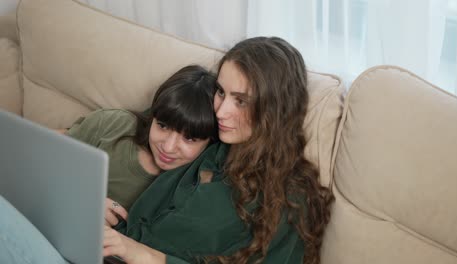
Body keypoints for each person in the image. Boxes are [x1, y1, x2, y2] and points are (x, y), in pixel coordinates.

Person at [0, 37, 334, 264]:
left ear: (275, 111)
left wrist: (146, 256)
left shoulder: (291, 199)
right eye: (221, 92)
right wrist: (83, 208)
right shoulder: (211, 147)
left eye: (241, 101)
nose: (219, 111)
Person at [60, 65, 219, 211]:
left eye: (189, 138)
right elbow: (46, 153)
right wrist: (87, 199)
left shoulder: (193, 188)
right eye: (162, 126)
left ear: (210, 141)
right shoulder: (113, 123)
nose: (168, 147)